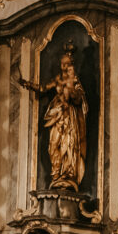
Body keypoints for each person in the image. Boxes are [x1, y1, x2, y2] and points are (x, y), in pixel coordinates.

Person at [19, 44, 87, 191]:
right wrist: (28, 84)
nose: (63, 67)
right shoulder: (57, 79)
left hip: (69, 118)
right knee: (53, 146)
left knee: (68, 145)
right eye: (62, 64)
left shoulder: (74, 81)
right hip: (56, 115)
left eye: (67, 64)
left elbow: (79, 99)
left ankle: (68, 174)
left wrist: (70, 90)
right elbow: (43, 88)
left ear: (71, 65)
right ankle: (56, 174)